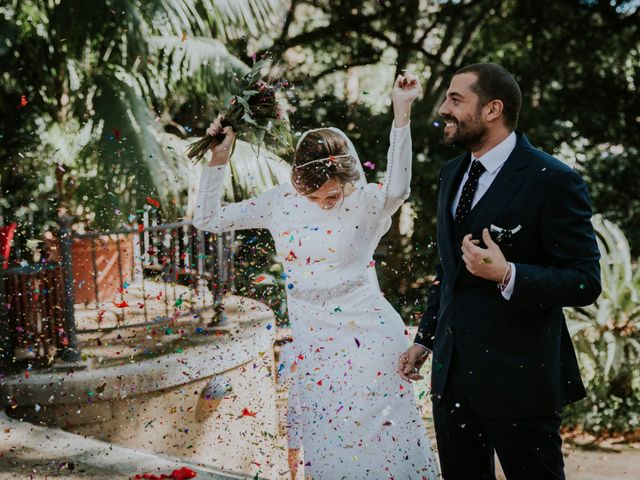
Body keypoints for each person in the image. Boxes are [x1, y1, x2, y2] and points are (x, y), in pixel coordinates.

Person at [194, 74, 439, 479]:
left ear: (349, 178)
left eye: (332, 194)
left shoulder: (366, 203)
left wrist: (402, 111)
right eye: (314, 196)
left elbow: (398, 189)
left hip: (371, 339)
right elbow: (208, 219)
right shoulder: (278, 204)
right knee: (330, 442)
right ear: (297, 183)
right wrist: (218, 160)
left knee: (386, 442)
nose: (325, 203)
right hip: (316, 343)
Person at [397, 62, 601, 479]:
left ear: (492, 109)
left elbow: (584, 280)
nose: (443, 109)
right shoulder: (452, 174)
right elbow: (448, 268)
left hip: (520, 381)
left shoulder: (553, 180)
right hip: (452, 379)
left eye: (456, 99)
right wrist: (426, 337)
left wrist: (509, 274)